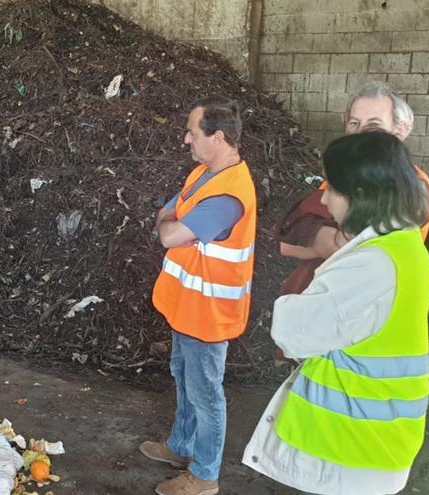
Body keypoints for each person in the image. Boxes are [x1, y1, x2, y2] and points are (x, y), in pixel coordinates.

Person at [243, 131, 429, 495]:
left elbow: (293, 332)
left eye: (333, 188)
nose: (324, 198)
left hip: (350, 446)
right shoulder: (404, 242)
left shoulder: (372, 266)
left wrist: (285, 300)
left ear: (360, 194)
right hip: (376, 440)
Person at [139, 97, 257, 495]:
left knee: (206, 396)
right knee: (184, 378)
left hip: (207, 315)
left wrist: (169, 224)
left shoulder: (227, 197)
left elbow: (169, 232)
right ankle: (181, 446)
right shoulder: (205, 175)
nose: (185, 138)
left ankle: (204, 476)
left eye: (192, 132)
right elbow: (168, 213)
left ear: (218, 137)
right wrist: (169, 221)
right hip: (185, 307)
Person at [278, 81, 429, 296]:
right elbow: (289, 243)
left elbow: (343, 246)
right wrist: (319, 238)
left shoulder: (415, 187)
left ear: (400, 130)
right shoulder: (342, 177)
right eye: (354, 123)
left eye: (373, 125)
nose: (360, 133)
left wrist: (317, 237)